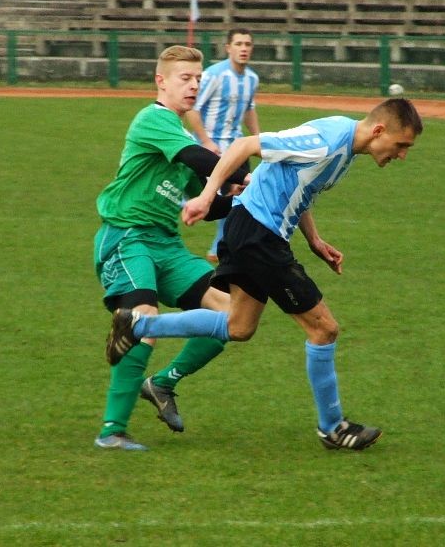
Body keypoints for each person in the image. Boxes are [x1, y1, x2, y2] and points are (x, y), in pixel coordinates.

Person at [106, 98, 424, 451]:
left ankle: (137, 325)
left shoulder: (346, 149)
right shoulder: (326, 139)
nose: (402, 155)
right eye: (401, 145)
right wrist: (206, 197)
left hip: (254, 233)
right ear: (379, 131)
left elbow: (300, 188)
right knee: (324, 328)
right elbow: (245, 145)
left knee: (238, 327)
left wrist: (315, 240)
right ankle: (332, 427)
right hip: (258, 235)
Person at [93, 45, 250, 451]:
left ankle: (162, 382)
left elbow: (210, 201)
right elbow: (199, 158)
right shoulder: (154, 119)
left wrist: (243, 195)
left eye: (198, 79)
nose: (194, 85)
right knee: (143, 320)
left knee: (231, 317)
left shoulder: (180, 133)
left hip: (166, 244)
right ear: (160, 81)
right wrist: (242, 164)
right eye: (185, 78)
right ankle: (112, 431)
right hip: (128, 236)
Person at [184, 28, 260, 264]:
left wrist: (260, 139)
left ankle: (224, 246)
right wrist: (206, 141)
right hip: (214, 150)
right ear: (228, 48)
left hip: (238, 147)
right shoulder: (213, 75)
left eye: (247, 44)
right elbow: (193, 110)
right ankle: (220, 245)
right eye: (238, 44)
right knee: (224, 197)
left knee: (243, 196)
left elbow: (249, 109)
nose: (244, 48)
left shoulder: (252, 79)